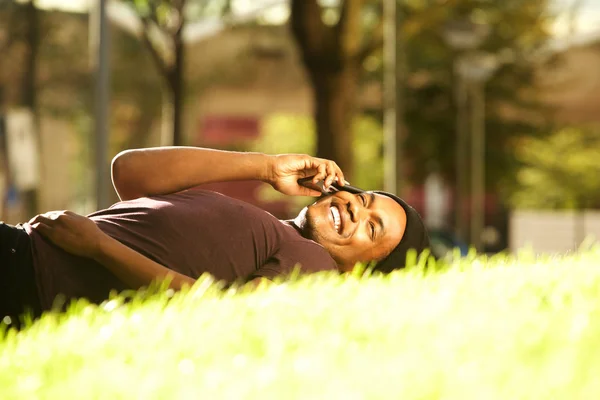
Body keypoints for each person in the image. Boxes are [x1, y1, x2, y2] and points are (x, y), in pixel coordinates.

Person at [0, 147, 429, 324]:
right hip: (21, 251)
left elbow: (220, 310)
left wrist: (98, 247)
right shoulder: (276, 233)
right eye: (366, 198)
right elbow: (129, 172)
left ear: (362, 273)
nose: (357, 207)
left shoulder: (316, 268)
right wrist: (265, 167)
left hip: (27, 281)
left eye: (372, 227)